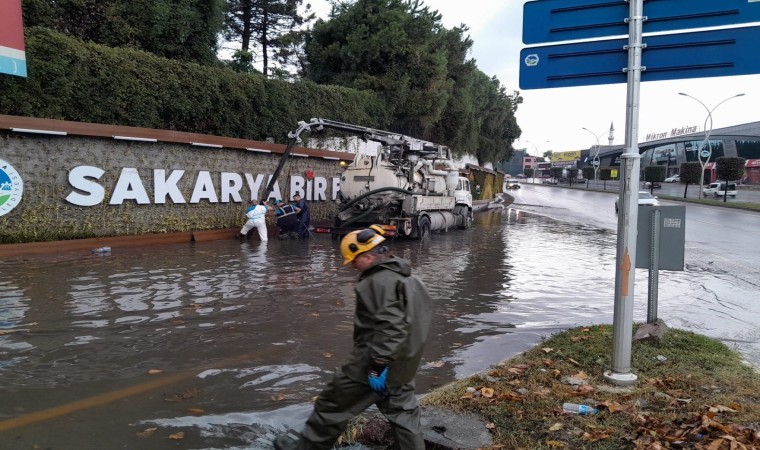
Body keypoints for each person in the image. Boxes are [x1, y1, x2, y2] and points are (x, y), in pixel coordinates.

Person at [273, 225, 433, 450]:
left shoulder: (376, 280)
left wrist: (378, 365)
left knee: (331, 405)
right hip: (404, 363)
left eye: (354, 261)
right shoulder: (408, 277)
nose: (353, 267)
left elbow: (389, 325)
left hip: (373, 361)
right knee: (403, 413)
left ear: (367, 257)